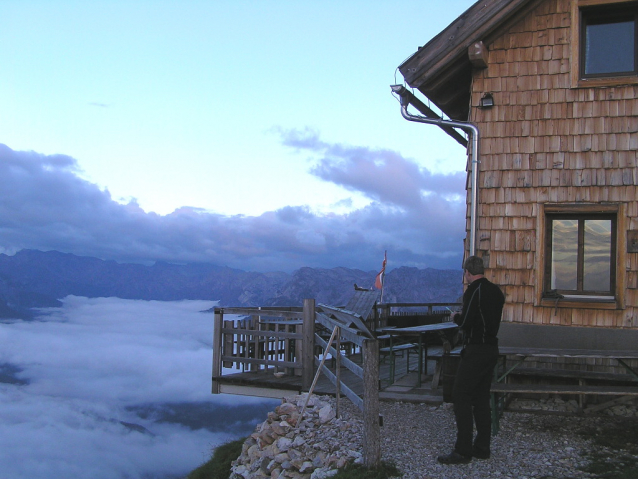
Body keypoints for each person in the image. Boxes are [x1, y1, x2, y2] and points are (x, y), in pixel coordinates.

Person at [437, 255, 505, 465]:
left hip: (475, 349)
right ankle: (482, 447)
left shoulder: (473, 292)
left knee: (461, 395)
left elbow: (466, 323)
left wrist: (456, 316)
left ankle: (463, 450)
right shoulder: (496, 292)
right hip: (492, 348)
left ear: (467, 273)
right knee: (481, 398)